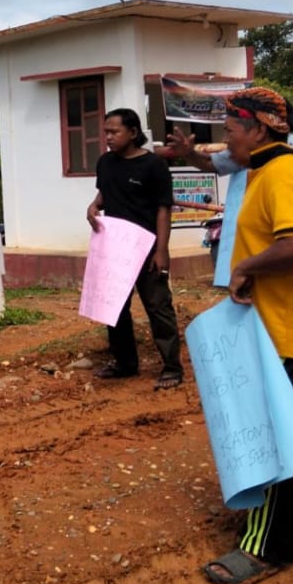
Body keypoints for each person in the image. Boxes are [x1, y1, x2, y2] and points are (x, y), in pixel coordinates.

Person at [202, 87, 293, 584]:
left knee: (275, 441)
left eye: (231, 131)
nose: (227, 142)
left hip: (288, 332)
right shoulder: (288, 171)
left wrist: (245, 266)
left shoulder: (280, 175)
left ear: (258, 129)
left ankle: (263, 547)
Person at [85, 108, 184, 390]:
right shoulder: (105, 162)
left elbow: (164, 210)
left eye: (114, 131)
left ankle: (172, 368)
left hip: (146, 248)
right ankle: (125, 363)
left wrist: (161, 250)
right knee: (115, 308)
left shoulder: (153, 166)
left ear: (133, 132)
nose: (108, 137)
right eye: (106, 132)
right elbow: (105, 192)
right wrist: (94, 206)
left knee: (158, 307)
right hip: (114, 250)